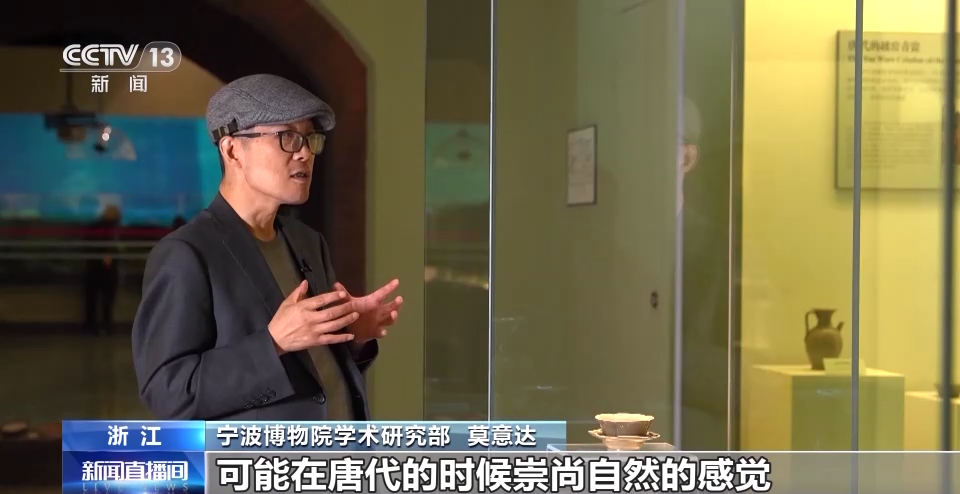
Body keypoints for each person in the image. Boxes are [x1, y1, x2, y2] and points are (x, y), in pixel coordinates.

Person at [131, 74, 403, 421]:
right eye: (287, 137)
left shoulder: (307, 242)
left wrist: (352, 337)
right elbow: (168, 392)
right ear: (232, 150)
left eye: (310, 139)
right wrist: (272, 342)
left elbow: (313, 372)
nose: (305, 152)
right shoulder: (187, 253)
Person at [83, 204, 121, 335]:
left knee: (93, 300)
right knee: (105, 300)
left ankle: (92, 325)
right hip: (103, 269)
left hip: (95, 268)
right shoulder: (110, 228)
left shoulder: (96, 226)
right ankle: (104, 325)